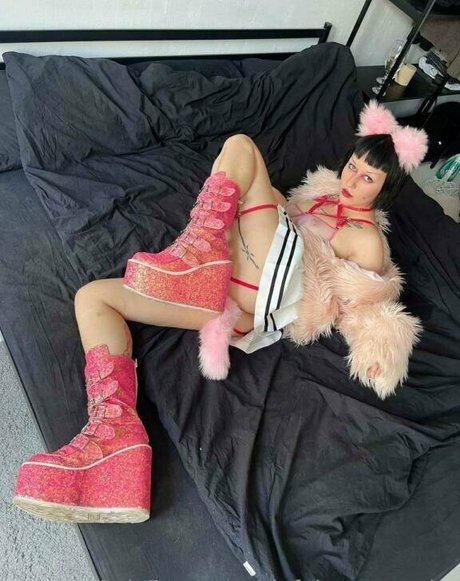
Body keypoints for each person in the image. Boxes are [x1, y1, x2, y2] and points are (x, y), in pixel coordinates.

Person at [12, 100, 428, 524]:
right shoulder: (321, 194)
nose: (352, 179)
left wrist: (378, 351)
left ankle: (195, 258)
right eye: (353, 166)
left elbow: (361, 306)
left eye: (367, 178)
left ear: (385, 189)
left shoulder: (367, 239)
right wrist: (276, 205)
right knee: (93, 298)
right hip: (231, 281)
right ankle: (113, 441)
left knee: (242, 147)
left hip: (271, 290)